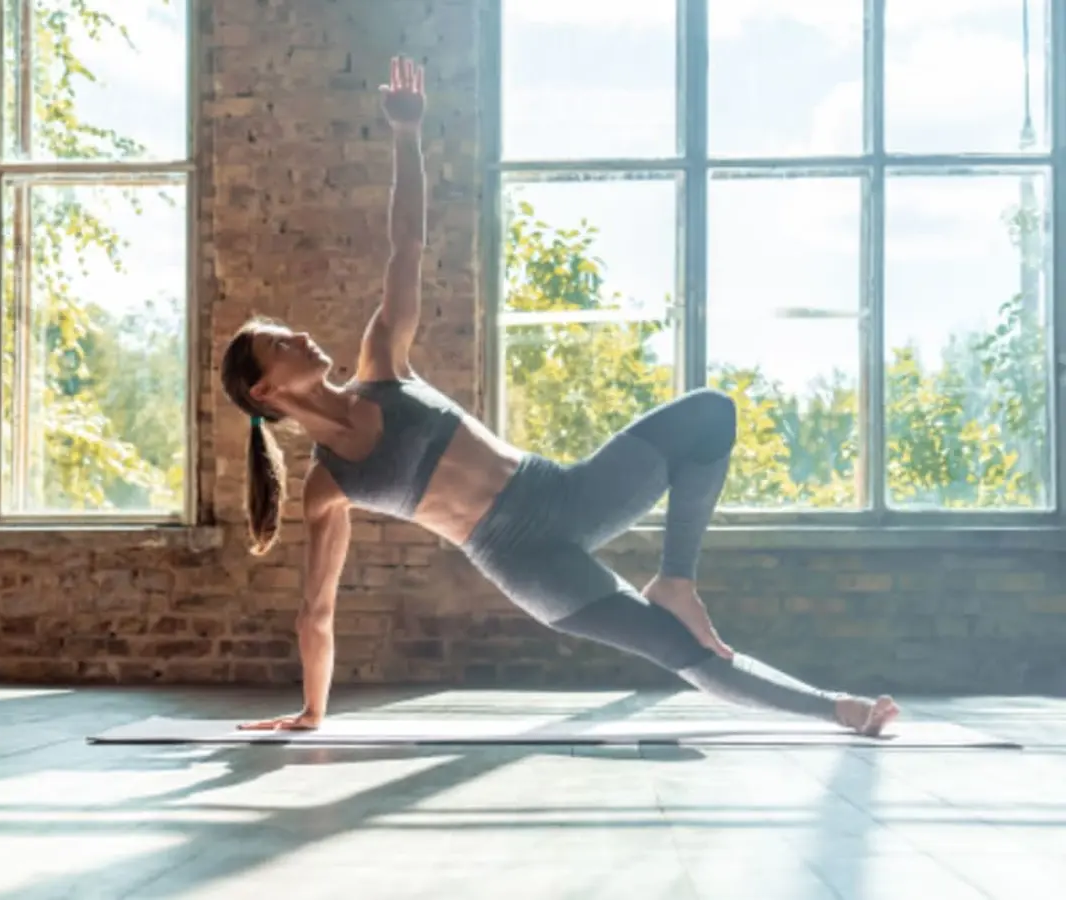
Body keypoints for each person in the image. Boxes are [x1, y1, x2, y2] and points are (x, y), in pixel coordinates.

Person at [219, 55, 900, 738]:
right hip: (522, 562)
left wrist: (406, 136)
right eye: (282, 342)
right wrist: (312, 711)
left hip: (562, 495)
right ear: (265, 389)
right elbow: (317, 606)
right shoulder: (328, 484)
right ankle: (839, 708)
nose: (301, 335)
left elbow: (407, 245)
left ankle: (677, 580)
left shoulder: (383, 363)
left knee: (712, 414)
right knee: (680, 651)